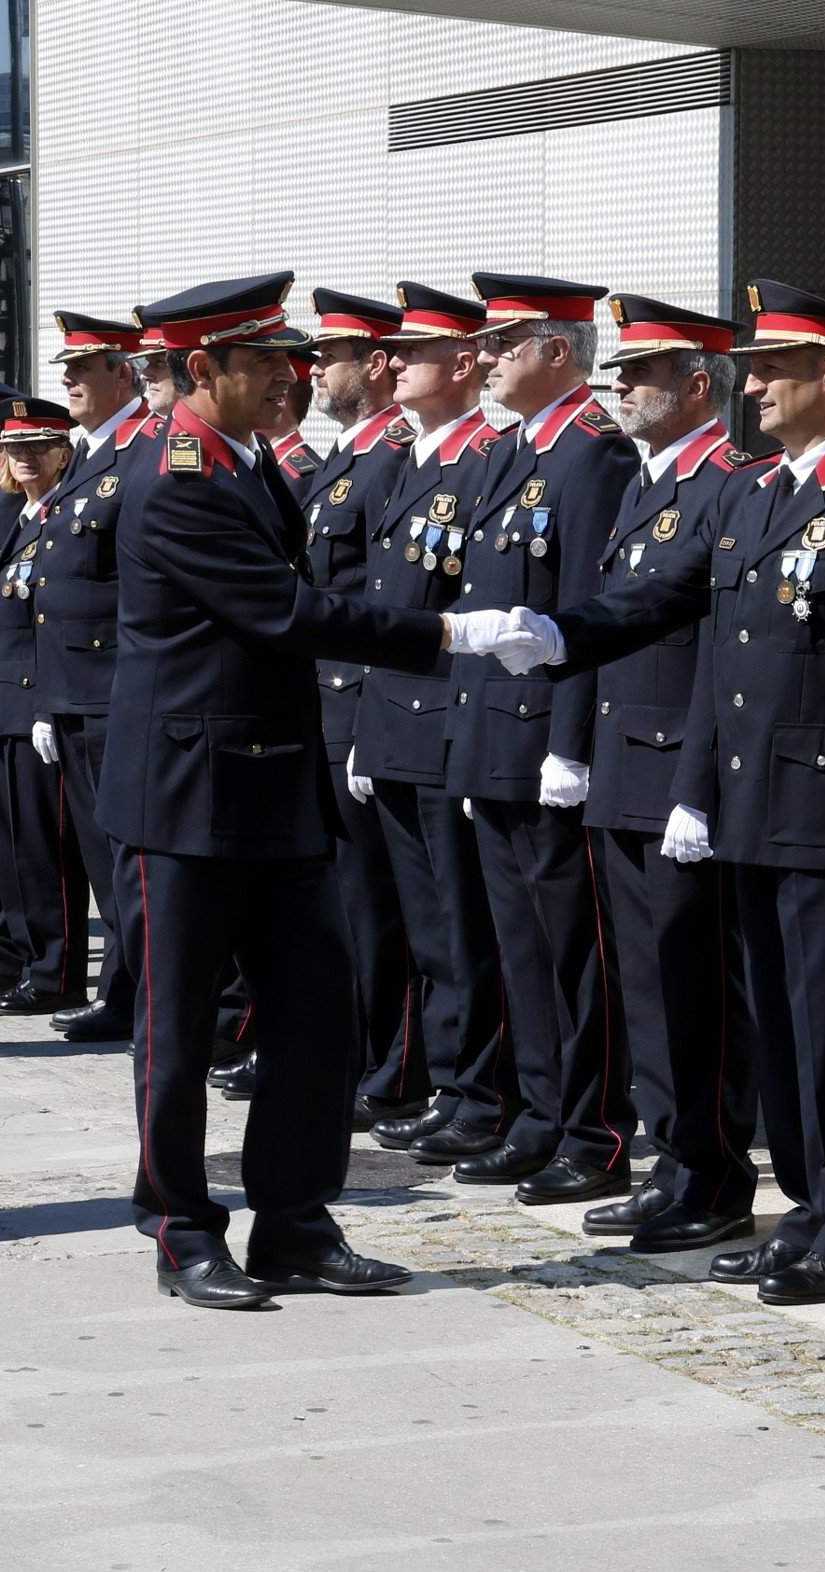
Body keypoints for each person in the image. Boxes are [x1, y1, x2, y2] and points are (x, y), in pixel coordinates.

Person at [99, 272, 477, 1309]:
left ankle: (296, 1219)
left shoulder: (245, 461)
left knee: (317, 1012)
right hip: (184, 790)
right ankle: (180, 1226)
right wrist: (446, 632)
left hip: (272, 781)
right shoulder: (176, 472)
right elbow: (283, 613)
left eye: (293, 360)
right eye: (265, 363)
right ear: (199, 370)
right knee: (176, 1030)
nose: (290, 378)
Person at [477, 293, 761, 1251]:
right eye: (620, 374)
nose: (621, 390)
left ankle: (714, 1173)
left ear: (695, 383)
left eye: (639, 375)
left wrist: (698, 783)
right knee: (646, 986)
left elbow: (723, 647)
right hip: (620, 770)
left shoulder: (729, 479)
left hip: (679, 773)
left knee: (696, 988)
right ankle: (672, 1161)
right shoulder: (648, 479)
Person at [666, 281, 825, 1305]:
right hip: (749, 796)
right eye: (748, 368)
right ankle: (805, 1204)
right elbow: (721, 654)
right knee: (777, 1015)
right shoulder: (751, 492)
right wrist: (692, 788)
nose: (749, 384)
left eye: (770, 368)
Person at [441, 273, 638, 1203]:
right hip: (491, 732)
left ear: (560, 351)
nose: (482, 359)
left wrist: (571, 741)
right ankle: (538, 1111)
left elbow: (592, 613)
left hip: (546, 741)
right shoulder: (505, 454)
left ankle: (594, 1129)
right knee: (517, 942)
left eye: (503, 345)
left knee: (573, 948)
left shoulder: (591, 456)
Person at [348, 283, 519, 1165]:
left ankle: (481, 1091)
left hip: (449, 722)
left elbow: (476, 610)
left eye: (412, 354)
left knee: (465, 926)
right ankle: (456, 1082)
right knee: (427, 924)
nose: (395, 366)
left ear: (461, 366)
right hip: (396, 721)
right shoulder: (407, 460)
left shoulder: (484, 457)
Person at [302, 289, 430, 1130]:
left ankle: (397, 1067)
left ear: (376, 364)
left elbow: (388, 602)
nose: (314, 369)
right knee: (348, 904)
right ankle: (358, 1055)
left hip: (363, 704)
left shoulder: (388, 459)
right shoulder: (343, 458)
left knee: (385, 910)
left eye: (330, 355)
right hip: (327, 703)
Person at [39, 311, 152, 1044]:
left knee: (130, 866)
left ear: (126, 373)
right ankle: (122, 990)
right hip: (76, 692)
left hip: (117, 690)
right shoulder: (89, 453)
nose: (70, 380)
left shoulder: (143, 451)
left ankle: (149, 996)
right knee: (101, 862)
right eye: (68, 369)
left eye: (86, 368)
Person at [0, 382, 88, 1016]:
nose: (25, 459)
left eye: (39, 447)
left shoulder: (65, 516)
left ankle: (58, 971)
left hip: (40, 703)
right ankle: (30, 959)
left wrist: (45, 708)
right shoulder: (20, 518)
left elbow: (56, 624)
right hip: (2, 702)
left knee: (48, 850)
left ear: (64, 453)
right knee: (13, 845)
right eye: (15, 448)